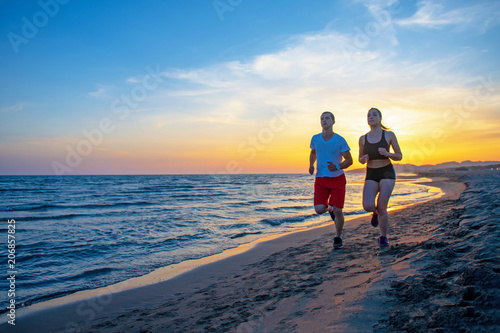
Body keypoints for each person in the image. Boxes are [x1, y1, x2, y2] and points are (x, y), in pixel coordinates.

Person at [358, 108, 402, 247]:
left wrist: (388, 154)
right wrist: (363, 159)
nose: (371, 117)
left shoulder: (389, 135)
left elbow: (399, 155)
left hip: (386, 172)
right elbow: (360, 158)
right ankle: (375, 212)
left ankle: (383, 237)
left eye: (374, 115)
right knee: (368, 205)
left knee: (383, 206)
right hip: (371, 173)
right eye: (369, 115)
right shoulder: (363, 138)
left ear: (380, 118)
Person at [309, 111, 353, 249]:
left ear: (333, 122)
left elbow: (350, 160)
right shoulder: (315, 138)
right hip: (321, 179)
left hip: (337, 179)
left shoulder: (340, 140)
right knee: (319, 209)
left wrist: (338, 166)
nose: (324, 120)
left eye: (327, 118)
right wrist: (311, 165)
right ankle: (330, 208)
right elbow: (313, 152)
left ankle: (338, 237)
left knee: (339, 211)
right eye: (322, 118)